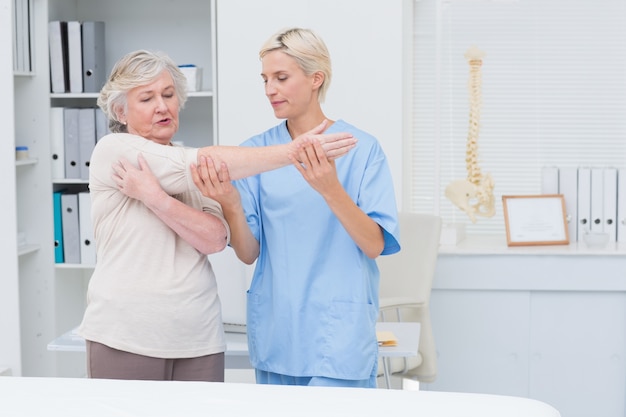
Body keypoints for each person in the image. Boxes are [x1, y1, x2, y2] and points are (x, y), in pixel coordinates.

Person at [77, 49, 356, 382]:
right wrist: (293, 151)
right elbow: (207, 167)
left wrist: (155, 198)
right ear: (121, 110)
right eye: (146, 99)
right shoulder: (114, 150)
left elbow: (214, 238)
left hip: (198, 335)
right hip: (127, 332)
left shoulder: (190, 165)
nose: (162, 106)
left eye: (168, 95)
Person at [192, 28, 400, 388]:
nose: (270, 89)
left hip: (340, 339)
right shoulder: (255, 155)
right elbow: (247, 252)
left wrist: (331, 189)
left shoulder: (360, 148)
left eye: (281, 78)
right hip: (279, 332)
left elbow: (374, 245)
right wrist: (230, 204)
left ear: (315, 78)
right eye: (265, 79)